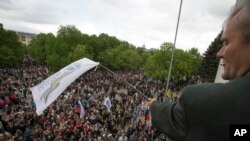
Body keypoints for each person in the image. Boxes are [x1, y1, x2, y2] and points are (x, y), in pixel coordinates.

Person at [146, 0, 250, 141]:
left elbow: (173, 119)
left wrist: (153, 106)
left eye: (226, 42)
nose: (219, 53)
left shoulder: (199, 101)